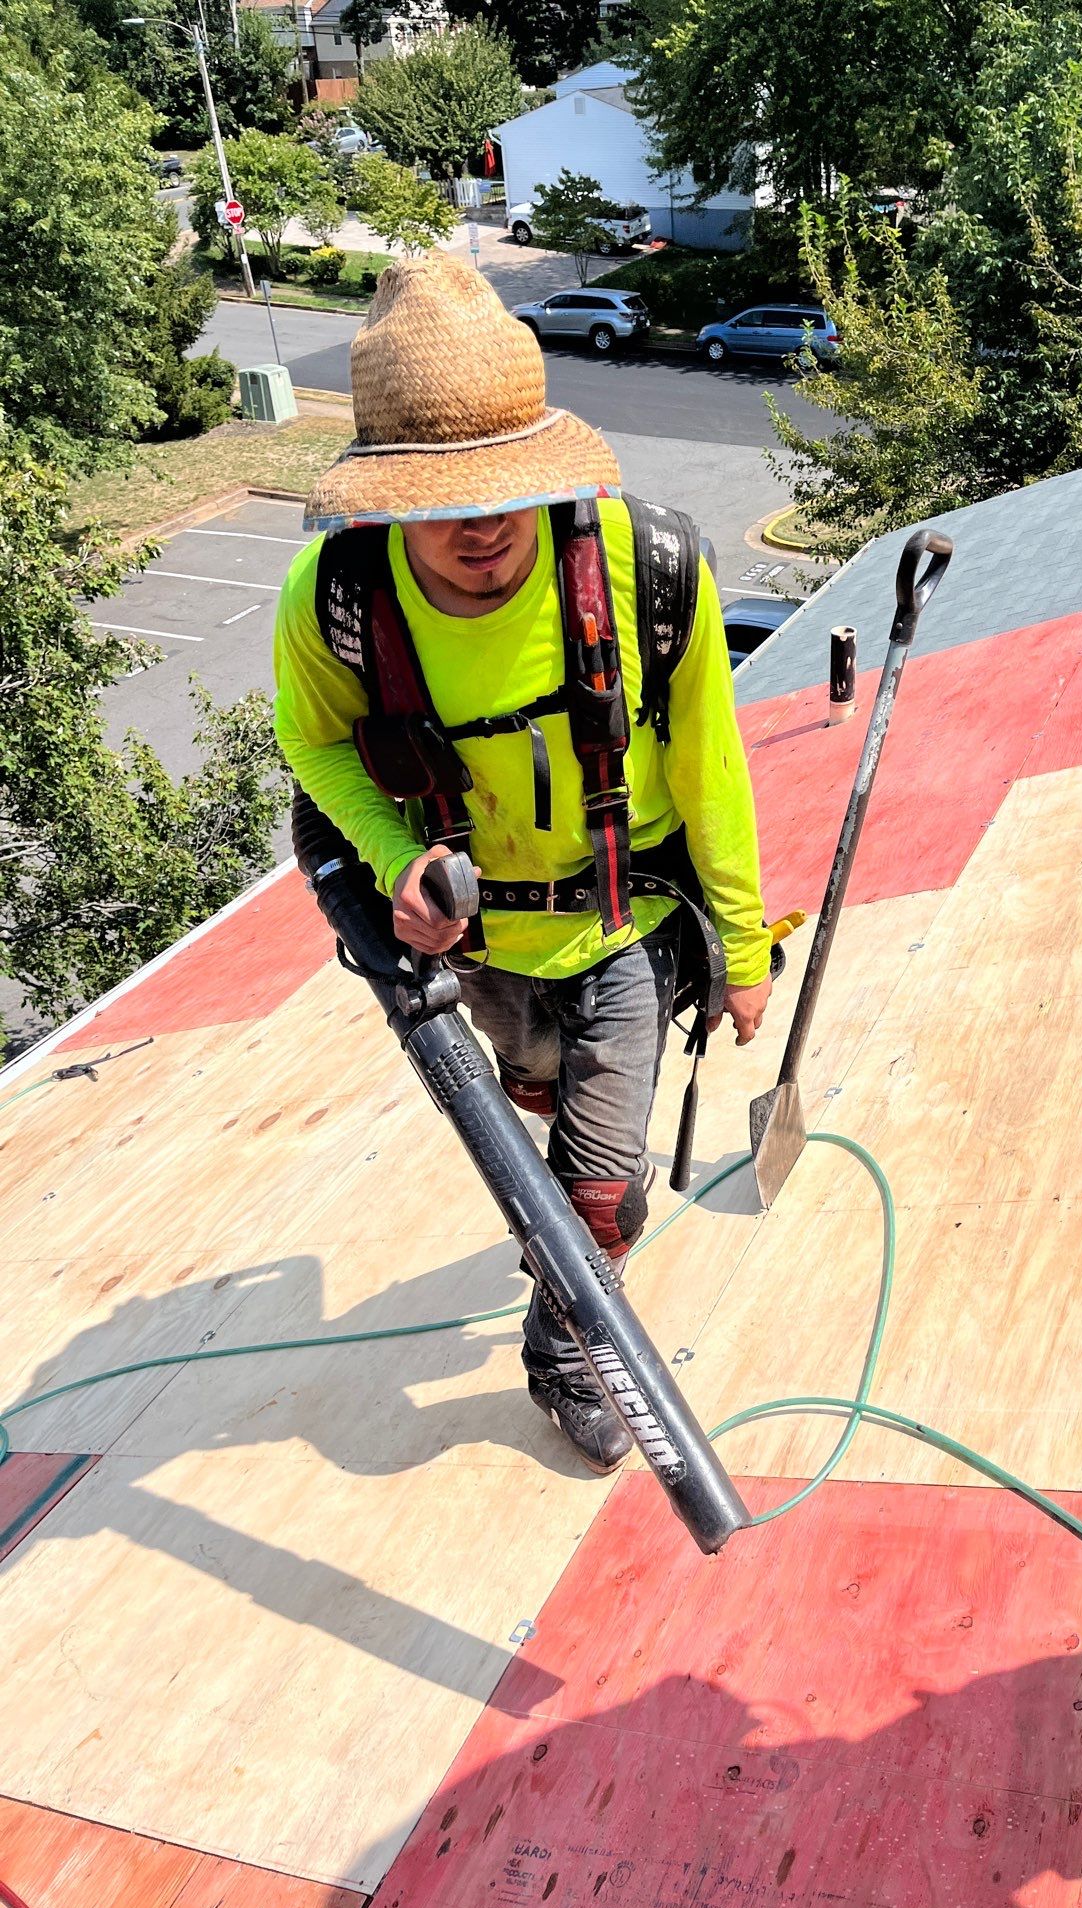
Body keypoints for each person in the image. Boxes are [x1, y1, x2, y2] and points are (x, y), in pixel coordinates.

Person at [273, 254, 772, 1474]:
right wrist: (397, 859)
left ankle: (564, 1362)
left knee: (603, 1191)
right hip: (481, 954)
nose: (484, 526)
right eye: (444, 501)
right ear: (384, 495)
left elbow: (710, 762)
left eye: (505, 488)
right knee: (537, 1074)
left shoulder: (647, 565)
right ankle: (544, 1094)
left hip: (627, 921)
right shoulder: (333, 598)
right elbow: (317, 751)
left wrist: (747, 945)